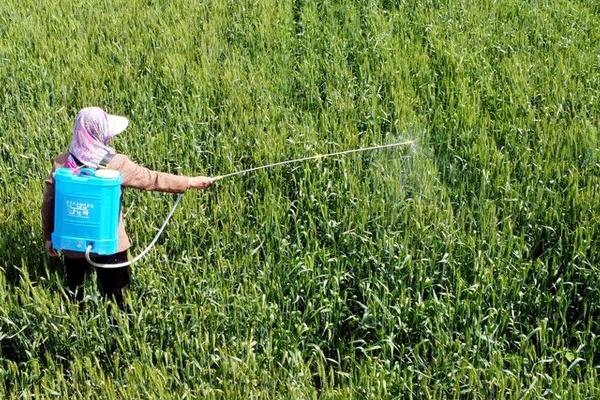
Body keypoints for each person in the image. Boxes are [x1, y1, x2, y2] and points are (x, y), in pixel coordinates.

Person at [41, 107, 213, 310]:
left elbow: (48, 203)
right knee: (117, 297)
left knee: (74, 293)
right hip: (110, 245)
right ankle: (119, 331)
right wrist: (190, 182)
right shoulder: (116, 164)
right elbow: (152, 179)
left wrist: (49, 237)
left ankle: (78, 323)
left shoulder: (62, 164)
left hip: (73, 245)